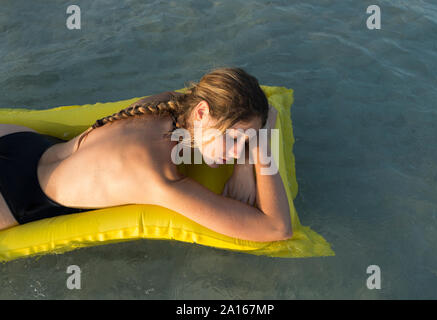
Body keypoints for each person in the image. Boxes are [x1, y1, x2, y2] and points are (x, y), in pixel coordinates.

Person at [0, 67, 292, 242]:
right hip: (15, 196)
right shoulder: (158, 177)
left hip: (22, 142)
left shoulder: (164, 103)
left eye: (244, 143)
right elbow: (277, 228)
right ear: (201, 112)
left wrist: (242, 166)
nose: (235, 151)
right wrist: (261, 145)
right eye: (234, 139)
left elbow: (262, 105)